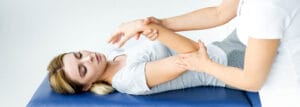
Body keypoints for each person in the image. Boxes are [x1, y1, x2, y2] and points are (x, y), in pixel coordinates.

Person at [109, 0, 300, 106]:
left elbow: (252, 81)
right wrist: (161, 24)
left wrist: (204, 65)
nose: (88, 57)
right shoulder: (124, 78)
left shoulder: (267, 7)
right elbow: (219, 13)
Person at [47, 20, 228, 95]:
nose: (88, 58)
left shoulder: (114, 55)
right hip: (228, 65)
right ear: (87, 85)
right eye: (83, 69)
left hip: (222, 45)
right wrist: (144, 26)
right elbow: (194, 58)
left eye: (80, 55)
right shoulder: (127, 79)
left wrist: (149, 24)